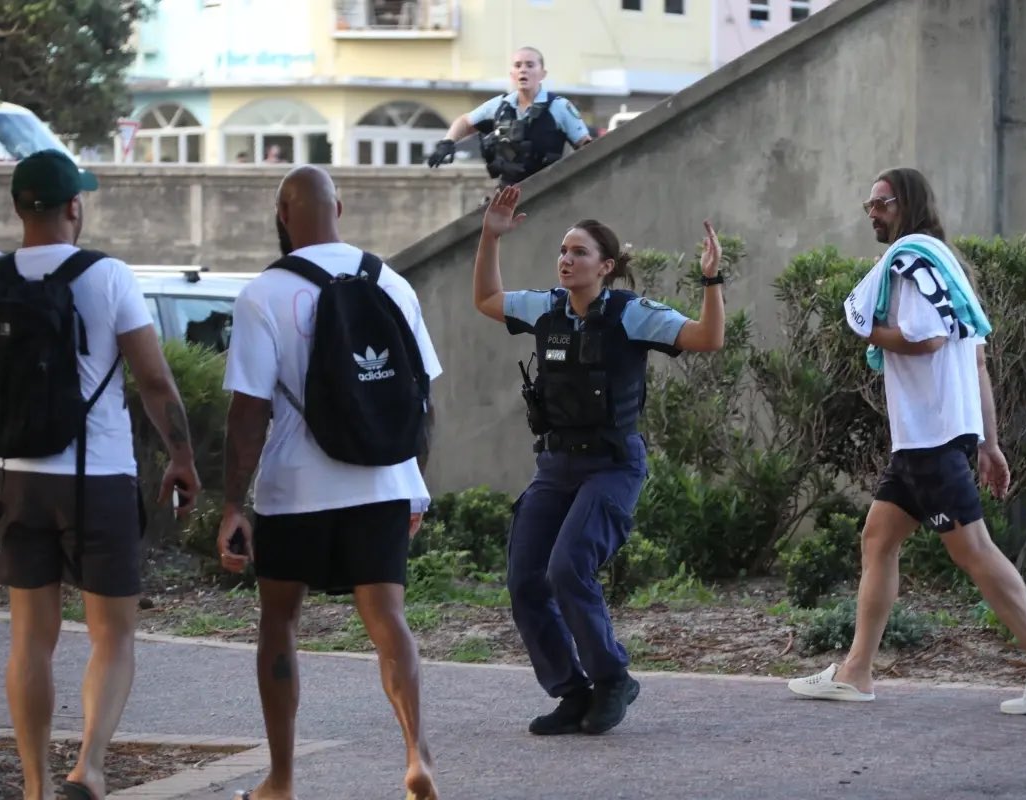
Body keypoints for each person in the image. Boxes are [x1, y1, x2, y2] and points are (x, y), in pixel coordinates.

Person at [787, 167, 1026, 715]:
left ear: (909, 204)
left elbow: (926, 339)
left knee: (973, 551)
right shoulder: (946, 265)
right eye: (868, 204)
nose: (871, 212)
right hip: (930, 439)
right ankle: (856, 671)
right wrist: (989, 444)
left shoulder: (911, 260)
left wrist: (862, 330)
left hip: (930, 437)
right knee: (877, 539)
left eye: (882, 202)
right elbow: (976, 358)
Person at [217, 165, 440, 800]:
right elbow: (422, 397)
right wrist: (413, 483)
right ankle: (416, 755)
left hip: (295, 490)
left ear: (282, 215)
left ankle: (281, 780)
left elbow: (248, 411)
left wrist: (234, 503)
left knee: (279, 623)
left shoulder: (264, 293)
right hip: (381, 483)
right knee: (388, 620)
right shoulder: (391, 281)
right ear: (339, 206)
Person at [473, 186, 726, 735]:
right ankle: (571, 691)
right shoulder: (546, 308)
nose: (566, 259)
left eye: (580, 252)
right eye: (563, 250)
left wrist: (711, 280)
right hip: (556, 466)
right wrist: (490, 237)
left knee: (568, 568)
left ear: (606, 266)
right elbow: (487, 299)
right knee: (525, 580)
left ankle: (613, 679)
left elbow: (708, 337)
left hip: (612, 466)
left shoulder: (631, 315)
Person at [0, 149, 201, 800]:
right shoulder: (108, 276)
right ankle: (87, 766)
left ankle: (32, 785)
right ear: (74, 208)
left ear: (19, 209)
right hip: (98, 476)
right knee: (112, 634)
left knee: (31, 637)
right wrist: (182, 456)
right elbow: (152, 378)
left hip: (16, 477)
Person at [427, 46, 592, 187]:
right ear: (512, 74)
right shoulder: (500, 105)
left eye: (530, 65)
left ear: (542, 73)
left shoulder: (559, 106)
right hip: (508, 192)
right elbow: (465, 121)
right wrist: (447, 142)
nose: (523, 70)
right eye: (518, 65)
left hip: (548, 189)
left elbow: (586, 146)